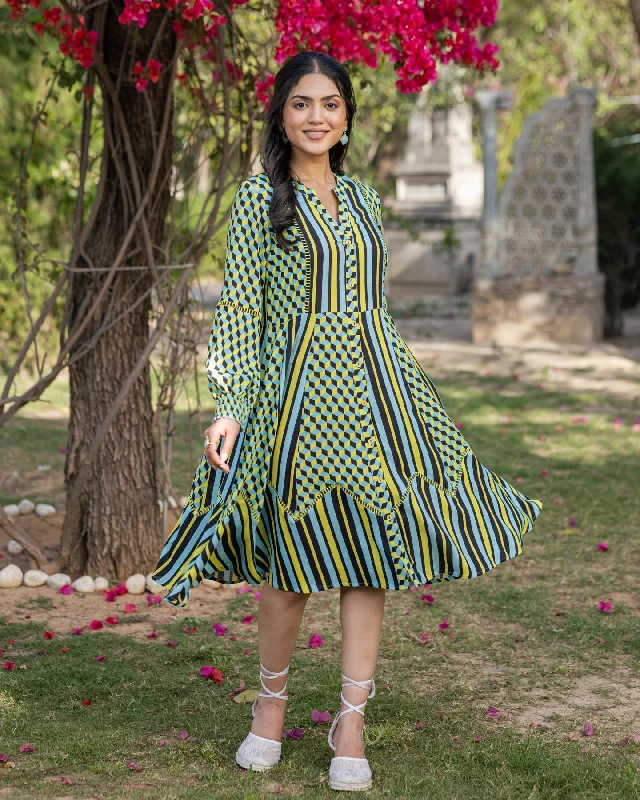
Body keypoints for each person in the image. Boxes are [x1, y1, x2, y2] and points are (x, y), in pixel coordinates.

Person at [152, 51, 543, 792]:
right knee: (291, 563)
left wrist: (406, 389)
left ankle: (351, 720)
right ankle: (270, 706)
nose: (316, 116)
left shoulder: (363, 199)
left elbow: (376, 308)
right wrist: (231, 404)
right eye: (302, 103)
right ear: (281, 113)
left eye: (330, 103)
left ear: (346, 115)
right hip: (292, 398)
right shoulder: (258, 199)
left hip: (372, 392)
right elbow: (240, 307)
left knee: (367, 561)